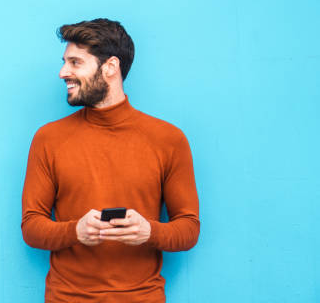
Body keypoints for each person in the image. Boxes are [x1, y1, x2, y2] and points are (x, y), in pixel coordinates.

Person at [21, 18, 200, 303]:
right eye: (65, 62)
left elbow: (189, 228)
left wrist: (149, 231)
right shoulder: (48, 139)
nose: (62, 72)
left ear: (110, 67)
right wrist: (74, 231)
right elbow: (31, 226)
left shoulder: (169, 139)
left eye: (75, 62)